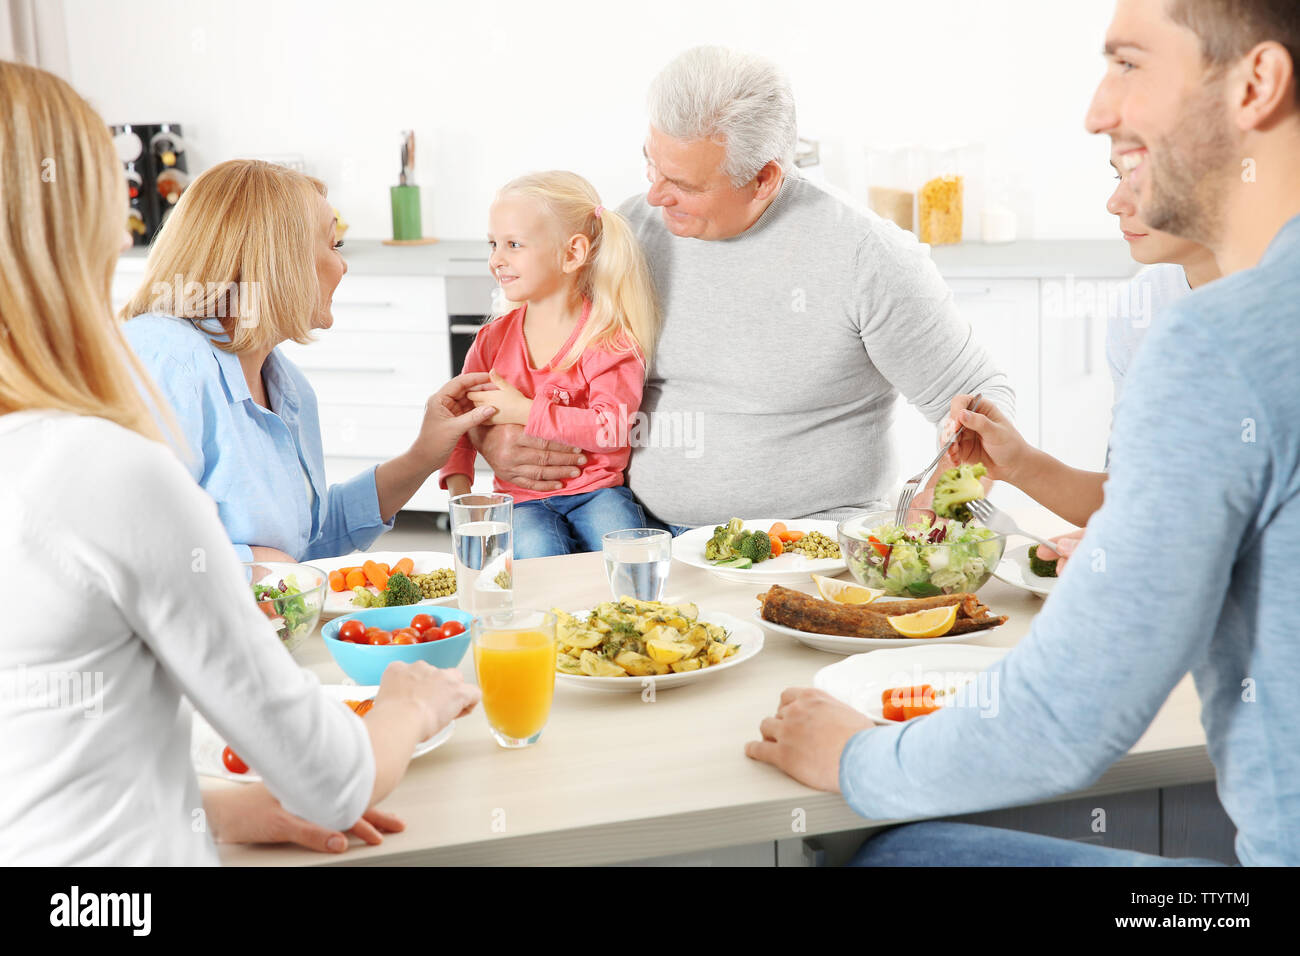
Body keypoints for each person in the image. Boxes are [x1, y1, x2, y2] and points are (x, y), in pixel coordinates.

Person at [746, 0, 1300, 866]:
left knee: (889, 856)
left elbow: (1067, 718)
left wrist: (855, 755)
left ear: (1257, 84)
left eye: (1127, 64)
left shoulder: (1222, 340)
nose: (1096, 110)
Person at [0, 60, 482, 863]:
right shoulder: (127, 428)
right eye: (109, 207)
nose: (127, 232)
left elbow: (45, 744)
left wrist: (218, 812)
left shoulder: (282, 386)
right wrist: (412, 701)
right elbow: (336, 781)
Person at [467, 47, 1015, 532]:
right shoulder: (622, 235)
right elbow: (520, 355)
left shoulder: (865, 256)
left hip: (807, 546)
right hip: (638, 532)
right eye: (650, 165)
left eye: (683, 183)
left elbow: (982, 401)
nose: (654, 196)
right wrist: (495, 439)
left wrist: (935, 518)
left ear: (765, 179)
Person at [120, 159, 498, 564]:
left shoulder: (288, 387)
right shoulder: (165, 358)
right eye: (334, 245)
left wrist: (424, 454)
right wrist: (255, 569)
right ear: (280, 258)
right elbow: (135, 546)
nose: (343, 264)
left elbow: (305, 539)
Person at [937, 146, 1223, 555]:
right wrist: (1018, 463)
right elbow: (1131, 496)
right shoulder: (1144, 302)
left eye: (1143, 180)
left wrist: (1152, 547)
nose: (1115, 203)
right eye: (1117, 177)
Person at [439, 171, 659, 557]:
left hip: (597, 494)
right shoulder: (491, 342)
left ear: (572, 253)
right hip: (520, 502)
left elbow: (613, 428)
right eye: (493, 244)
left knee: (630, 554)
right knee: (539, 557)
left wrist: (524, 410)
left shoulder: (609, 341)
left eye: (514, 244)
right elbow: (458, 420)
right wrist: (461, 495)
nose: (496, 260)